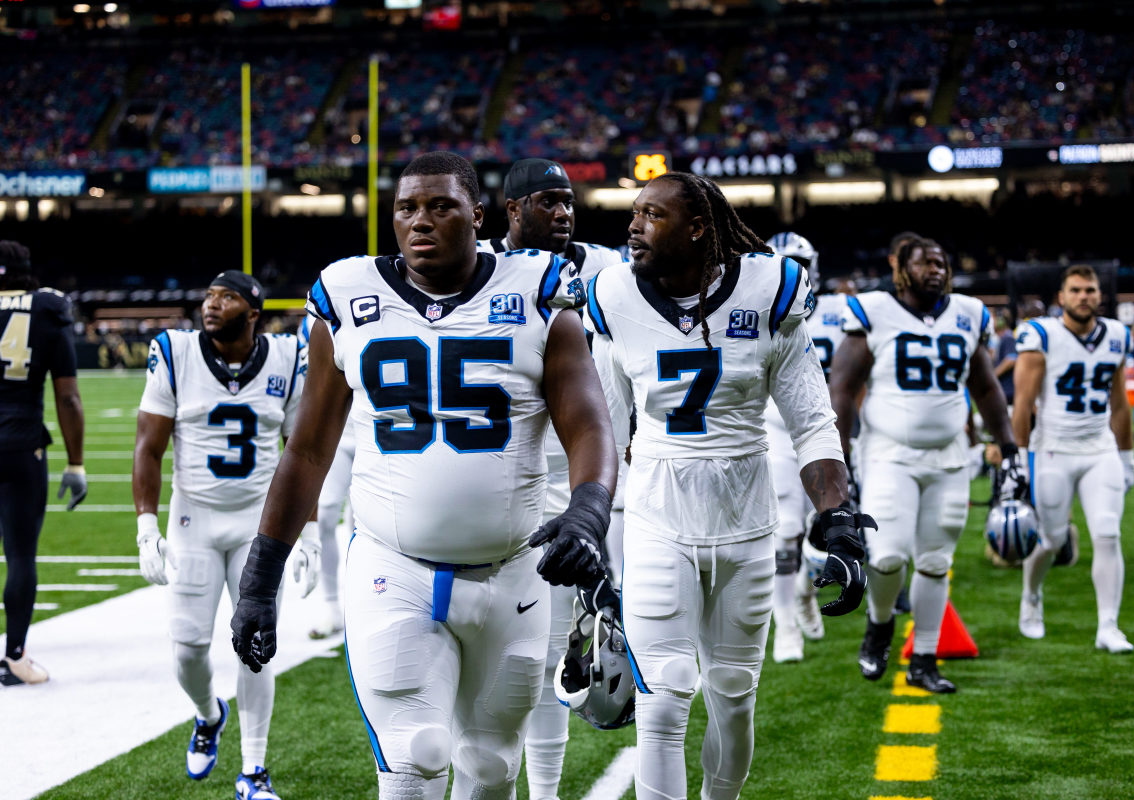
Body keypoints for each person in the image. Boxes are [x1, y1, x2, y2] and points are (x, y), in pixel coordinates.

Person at [229, 152, 618, 800]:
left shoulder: (538, 288)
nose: (421, 221)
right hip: (395, 569)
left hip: (511, 573)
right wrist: (259, 578)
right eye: (407, 207)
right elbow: (307, 451)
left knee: (492, 767)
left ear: (478, 214)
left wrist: (589, 509)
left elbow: (587, 421)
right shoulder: (349, 296)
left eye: (440, 206)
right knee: (415, 756)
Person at [588, 172, 868, 799]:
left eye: (652, 214)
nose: (633, 225)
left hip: (745, 521)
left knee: (734, 697)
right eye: (633, 212)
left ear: (698, 228)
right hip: (659, 518)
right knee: (661, 699)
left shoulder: (770, 290)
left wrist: (839, 520)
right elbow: (605, 427)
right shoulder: (611, 295)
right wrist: (591, 522)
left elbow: (813, 422)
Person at [133, 270, 316, 800]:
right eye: (209, 294)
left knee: (256, 646)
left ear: (253, 311)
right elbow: (148, 447)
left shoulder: (287, 357)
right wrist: (147, 526)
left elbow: (301, 452)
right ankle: (207, 714)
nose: (211, 304)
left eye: (227, 296)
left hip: (261, 523)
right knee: (187, 650)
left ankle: (253, 771)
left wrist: (303, 533)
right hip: (194, 518)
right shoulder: (174, 351)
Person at [479, 157, 628, 800]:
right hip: (492, 475)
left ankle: (543, 792)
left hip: (579, 481)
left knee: (546, 657)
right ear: (513, 210)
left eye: (569, 201)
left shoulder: (607, 269)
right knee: (487, 655)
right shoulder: (478, 266)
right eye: (548, 202)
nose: (565, 213)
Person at [829, 236, 1023, 694]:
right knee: (889, 554)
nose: (936, 269)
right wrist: (840, 457)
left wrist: (1010, 447)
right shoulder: (874, 309)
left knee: (936, 561)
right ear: (901, 269)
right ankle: (879, 625)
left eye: (942, 262)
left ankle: (925, 659)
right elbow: (841, 388)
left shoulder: (967, 313)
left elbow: (988, 387)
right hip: (889, 454)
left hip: (950, 457)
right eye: (925, 262)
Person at [1011, 265, 1134, 653]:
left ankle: (1108, 625)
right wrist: (1019, 456)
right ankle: (1031, 596)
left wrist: (1127, 454)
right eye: (1076, 290)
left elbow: (1119, 404)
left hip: (1100, 449)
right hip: (1053, 450)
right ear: (1061, 297)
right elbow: (1023, 403)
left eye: (1091, 290)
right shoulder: (1042, 334)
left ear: (1101, 296)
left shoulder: (1117, 334)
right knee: (1052, 539)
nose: (1084, 296)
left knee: (1108, 532)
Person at [0, 240, 86, 686]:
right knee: (19, 554)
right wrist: (76, 463)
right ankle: (14, 657)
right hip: (19, 445)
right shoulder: (47, 308)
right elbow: (67, 395)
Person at [762, 231, 847, 662]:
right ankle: (787, 625)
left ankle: (805, 591)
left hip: (829, 432)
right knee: (785, 535)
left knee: (837, 531)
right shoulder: (759, 314)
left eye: (800, 261)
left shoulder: (842, 311)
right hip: (777, 431)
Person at [297, 313, 353, 639]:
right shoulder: (317, 317)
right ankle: (331, 604)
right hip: (338, 432)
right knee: (327, 514)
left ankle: (363, 601)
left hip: (377, 429)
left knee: (365, 523)